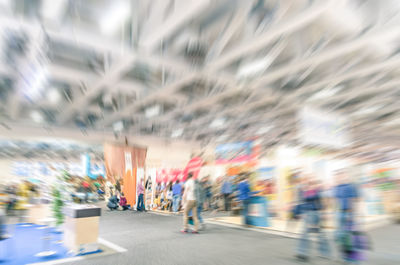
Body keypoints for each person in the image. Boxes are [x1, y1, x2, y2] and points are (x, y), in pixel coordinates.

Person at [296, 177, 330, 261]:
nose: (306, 182)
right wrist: (301, 213)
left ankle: (325, 252)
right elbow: (302, 202)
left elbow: (324, 201)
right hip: (307, 213)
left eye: (308, 180)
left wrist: (324, 213)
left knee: (321, 234)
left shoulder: (318, 190)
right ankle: (302, 253)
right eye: (306, 180)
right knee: (304, 233)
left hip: (316, 213)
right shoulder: (304, 191)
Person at [334, 170, 359, 261]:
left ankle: (352, 257)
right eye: (337, 177)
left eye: (340, 176)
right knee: (341, 235)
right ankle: (344, 256)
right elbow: (336, 201)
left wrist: (350, 214)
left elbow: (351, 200)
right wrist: (335, 212)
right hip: (339, 213)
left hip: (348, 213)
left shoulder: (349, 186)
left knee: (348, 235)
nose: (338, 178)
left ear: (345, 176)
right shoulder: (336, 187)